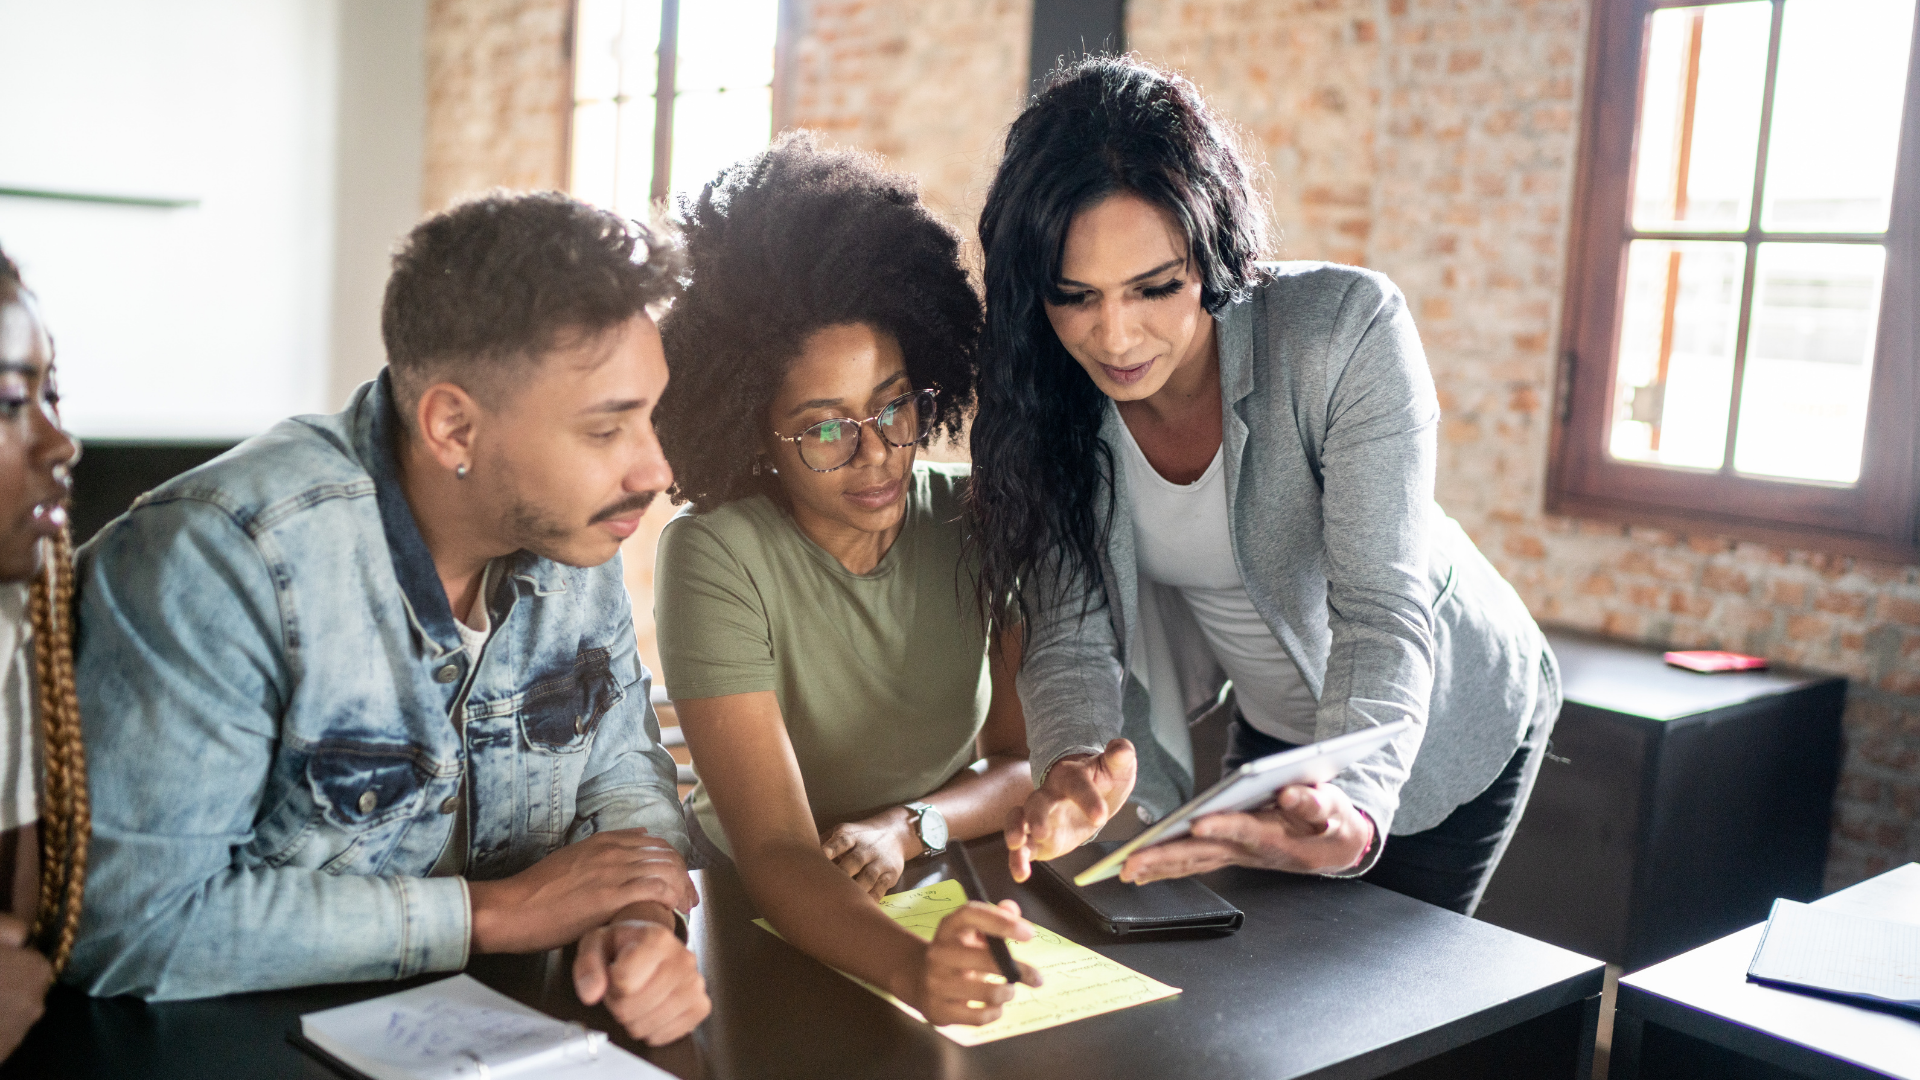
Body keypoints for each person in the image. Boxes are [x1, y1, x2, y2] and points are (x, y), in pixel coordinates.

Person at [66, 194, 709, 1044]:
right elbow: (134, 926)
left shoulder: (572, 531)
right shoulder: (219, 558)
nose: (655, 468)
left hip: (500, 1043)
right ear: (453, 426)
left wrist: (638, 917)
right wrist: (493, 914)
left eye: (651, 415)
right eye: (605, 430)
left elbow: (622, 773)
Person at [973, 58, 1559, 917]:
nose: (1115, 335)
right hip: (1280, 740)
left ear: (1211, 250)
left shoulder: (1345, 332)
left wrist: (1355, 800)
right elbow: (1068, 633)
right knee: (1265, 999)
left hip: (1430, 726)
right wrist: (1074, 768)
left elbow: (1379, 608)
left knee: (1391, 1022)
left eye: (1155, 287)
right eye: (1075, 297)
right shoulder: (1047, 395)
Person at [652, 133, 1041, 1026]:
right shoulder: (715, 553)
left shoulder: (974, 520)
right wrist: (913, 973)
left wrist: (909, 827)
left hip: (935, 885)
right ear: (754, 432)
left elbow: (1022, 763)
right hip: (753, 911)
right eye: (824, 429)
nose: (876, 455)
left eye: (895, 406)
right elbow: (781, 852)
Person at [0, 245, 84, 1061]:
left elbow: (22, 944)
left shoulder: (24, 620)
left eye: (49, 395)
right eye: (10, 401)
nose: (61, 443)